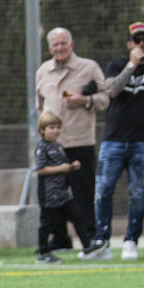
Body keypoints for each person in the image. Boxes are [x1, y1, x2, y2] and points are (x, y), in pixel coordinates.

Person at [35, 26, 109, 259]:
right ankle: (58, 241)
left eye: (63, 44)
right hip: (50, 146)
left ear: (71, 44)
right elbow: (40, 105)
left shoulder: (89, 67)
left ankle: (90, 240)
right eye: (55, 45)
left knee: (82, 193)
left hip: (79, 141)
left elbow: (105, 99)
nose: (59, 48)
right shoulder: (42, 71)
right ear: (49, 48)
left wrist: (85, 100)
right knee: (50, 196)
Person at [93, 21, 144, 261]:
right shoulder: (117, 65)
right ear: (129, 43)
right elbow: (111, 91)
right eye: (137, 40)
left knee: (137, 193)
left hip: (143, 140)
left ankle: (132, 239)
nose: (142, 44)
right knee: (103, 191)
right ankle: (102, 240)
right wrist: (132, 64)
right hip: (114, 140)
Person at [34, 111, 96, 264]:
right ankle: (43, 253)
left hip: (63, 193)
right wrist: (61, 169)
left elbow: (62, 167)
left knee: (78, 217)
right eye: (51, 127)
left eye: (57, 127)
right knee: (48, 224)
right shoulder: (42, 148)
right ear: (42, 130)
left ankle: (88, 246)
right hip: (49, 195)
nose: (55, 131)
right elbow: (40, 169)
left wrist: (71, 167)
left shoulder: (59, 146)